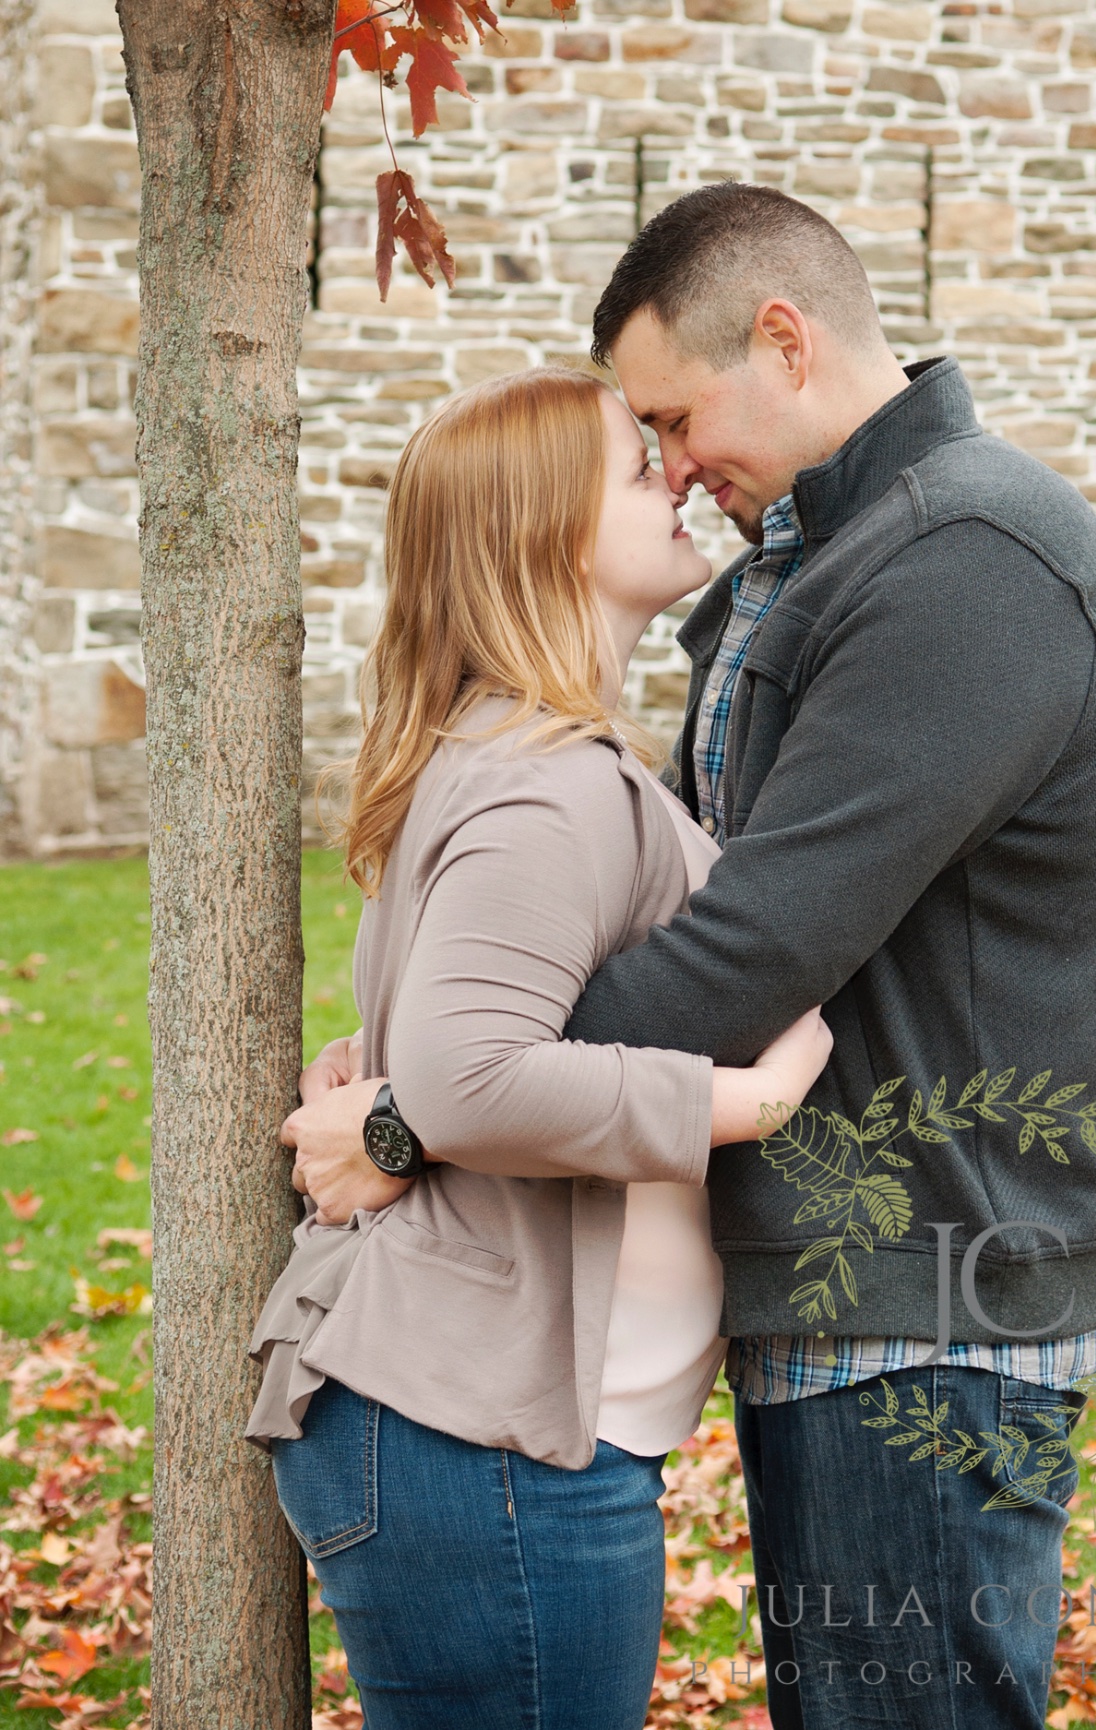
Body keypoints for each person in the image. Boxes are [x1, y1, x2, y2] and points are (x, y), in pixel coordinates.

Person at [286, 184, 1096, 1729]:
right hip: (844, 1286)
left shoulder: (966, 561)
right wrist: (446, 1062)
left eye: (676, 418)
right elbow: (648, 910)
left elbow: (741, 952)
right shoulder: (821, 559)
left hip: (929, 1293)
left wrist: (417, 1115)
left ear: (785, 337)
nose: (675, 466)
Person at [246, 365, 831, 1730]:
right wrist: (746, 1098)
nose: (675, 475)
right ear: (546, 538)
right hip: (482, 1448)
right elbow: (469, 1075)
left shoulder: (530, 758)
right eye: (637, 469)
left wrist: (379, 1076)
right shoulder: (545, 783)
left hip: (491, 1440)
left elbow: (448, 1049)